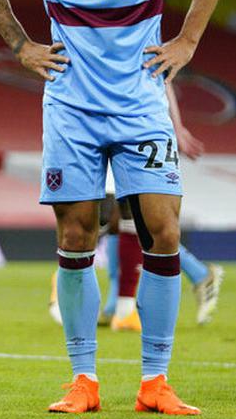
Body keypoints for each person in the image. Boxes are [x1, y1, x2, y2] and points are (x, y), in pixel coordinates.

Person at [0, 0, 229, 415]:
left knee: (163, 232)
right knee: (75, 236)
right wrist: (21, 46)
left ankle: (155, 383)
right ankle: (84, 381)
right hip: (72, 107)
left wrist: (188, 41)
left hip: (141, 103)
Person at [47, 83, 225, 330]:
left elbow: (162, 76)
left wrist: (176, 127)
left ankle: (118, 303)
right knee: (113, 219)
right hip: (95, 127)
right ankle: (115, 302)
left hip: (133, 128)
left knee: (131, 217)